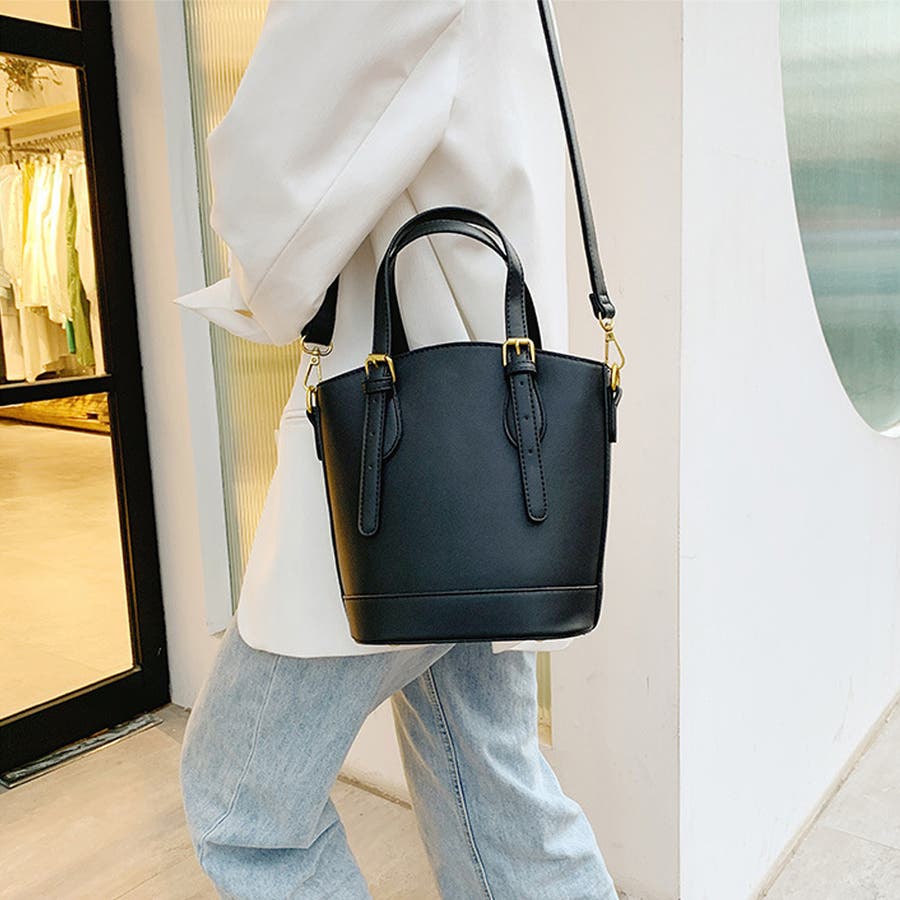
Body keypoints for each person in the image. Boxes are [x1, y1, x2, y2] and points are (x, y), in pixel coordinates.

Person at [176, 1, 618, 896]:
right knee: (498, 795)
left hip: (404, 468)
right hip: (497, 473)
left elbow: (271, 193)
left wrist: (258, 284)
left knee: (242, 806)